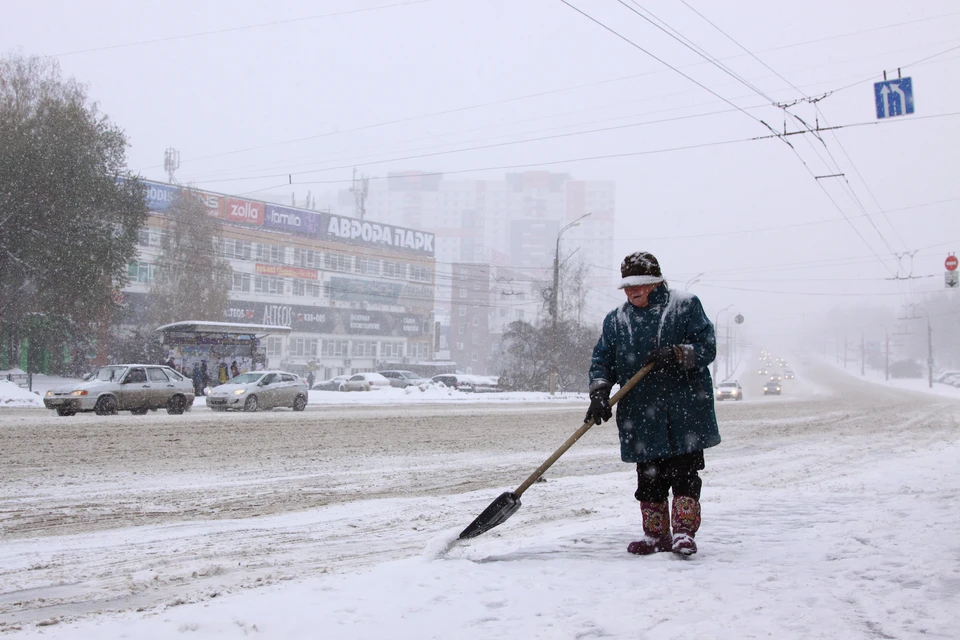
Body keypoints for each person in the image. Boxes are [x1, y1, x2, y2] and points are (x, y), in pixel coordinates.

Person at [585, 251, 720, 557]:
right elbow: (601, 361)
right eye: (628, 285)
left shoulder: (685, 307)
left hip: (684, 410)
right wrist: (599, 392)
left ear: (656, 282)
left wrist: (676, 353)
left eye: (641, 284)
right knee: (649, 479)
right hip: (640, 414)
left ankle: (684, 533)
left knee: (684, 475)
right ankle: (656, 536)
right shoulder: (616, 320)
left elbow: (707, 348)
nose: (633, 291)